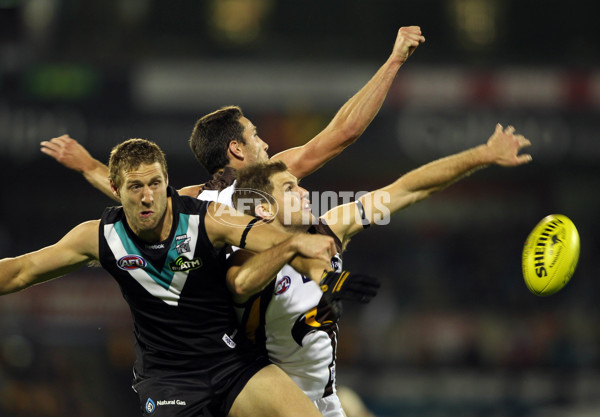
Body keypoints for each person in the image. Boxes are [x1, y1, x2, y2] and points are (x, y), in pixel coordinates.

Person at [0, 138, 380, 417]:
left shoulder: (204, 219)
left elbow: (260, 234)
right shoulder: (99, 237)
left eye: (155, 184)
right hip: (169, 383)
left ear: (167, 182)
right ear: (117, 190)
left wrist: (305, 249)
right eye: (135, 187)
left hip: (232, 366)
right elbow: (20, 271)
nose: (148, 196)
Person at [227, 124, 532, 416]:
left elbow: (408, 189)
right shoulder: (245, 257)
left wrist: (482, 154)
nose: (305, 192)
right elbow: (241, 283)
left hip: (324, 401)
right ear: (264, 208)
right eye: (290, 188)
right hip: (269, 404)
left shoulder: (330, 229)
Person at [39, 26, 426, 203]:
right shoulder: (264, 179)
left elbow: (137, 196)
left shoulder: (192, 201)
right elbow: (343, 132)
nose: (267, 143)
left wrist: (87, 163)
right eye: (256, 136)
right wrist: (393, 61)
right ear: (237, 149)